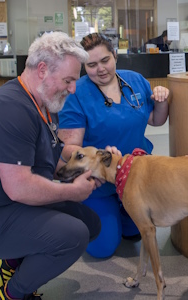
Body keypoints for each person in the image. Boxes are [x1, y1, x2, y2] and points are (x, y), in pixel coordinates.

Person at [0, 32, 105, 300]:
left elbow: (48, 158)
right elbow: (20, 187)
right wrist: (71, 191)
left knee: (89, 223)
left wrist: (82, 167)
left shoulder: (45, 102)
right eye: (68, 80)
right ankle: (11, 294)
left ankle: (10, 260)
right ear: (42, 70)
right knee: (74, 235)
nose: (73, 88)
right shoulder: (10, 111)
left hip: (7, 201)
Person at [58, 33, 170, 258]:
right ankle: (88, 210)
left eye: (105, 60)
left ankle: (121, 211)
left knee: (134, 233)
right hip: (99, 181)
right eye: (91, 65)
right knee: (103, 248)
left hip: (134, 176)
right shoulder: (76, 94)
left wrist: (162, 100)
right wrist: (99, 156)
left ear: (115, 56)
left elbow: (156, 120)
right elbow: (69, 149)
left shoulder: (135, 80)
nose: (100, 69)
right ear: (83, 66)